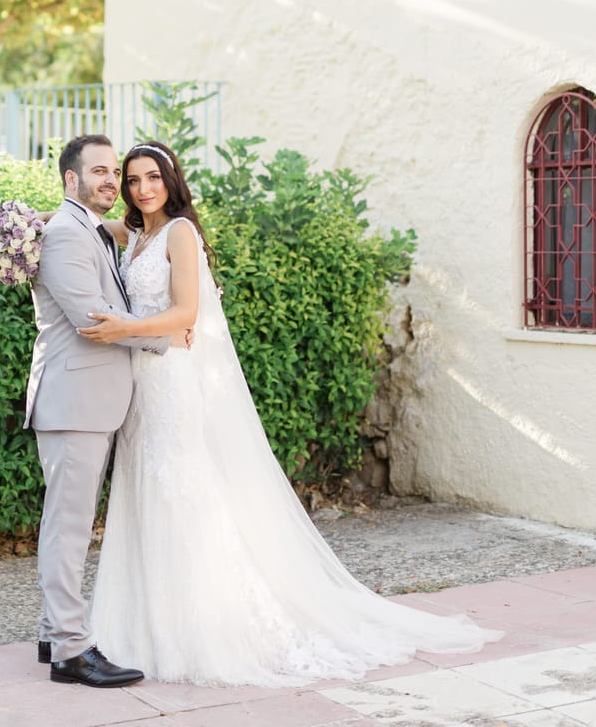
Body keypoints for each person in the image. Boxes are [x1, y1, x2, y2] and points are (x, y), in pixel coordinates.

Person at [77, 139, 501, 686]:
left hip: (172, 381)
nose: (142, 188)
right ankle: (147, 623)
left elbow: (186, 311)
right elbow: (83, 223)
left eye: (152, 177)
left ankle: (211, 626)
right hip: (141, 383)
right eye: (133, 180)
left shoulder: (179, 233)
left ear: (171, 179)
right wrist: (29, 222)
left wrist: (124, 328)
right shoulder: (135, 235)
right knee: (144, 490)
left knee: (181, 489)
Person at [25, 134, 187, 689]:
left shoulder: (87, 229)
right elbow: (94, 319)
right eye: (99, 171)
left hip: (88, 401)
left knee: (66, 523)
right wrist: (163, 339)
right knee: (68, 528)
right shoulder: (68, 235)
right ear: (71, 179)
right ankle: (72, 650)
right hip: (75, 401)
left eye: (113, 171)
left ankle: (54, 633)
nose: (110, 181)